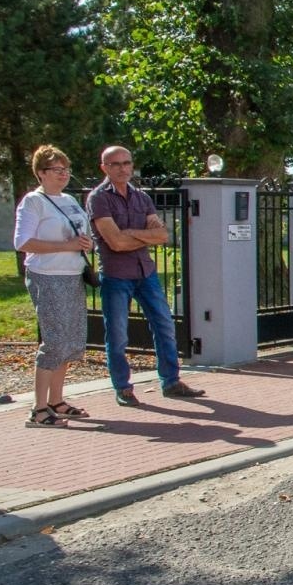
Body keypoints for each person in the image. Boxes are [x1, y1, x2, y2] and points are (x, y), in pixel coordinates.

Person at [87, 146, 207, 405]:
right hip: (116, 275)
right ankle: (123, 387)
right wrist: (141, 236)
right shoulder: (98, 198)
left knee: (165, 326)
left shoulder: (141, 197)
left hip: (146, 272)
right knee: (118, 334)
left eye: (126, 163)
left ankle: (171, 381)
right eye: (115, 164)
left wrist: (128, 233)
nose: (122, 168)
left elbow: (162, 236)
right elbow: (115, 243)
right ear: (104, 167)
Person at [12, 145, 96, 428]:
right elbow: (22, 242)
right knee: (54, 340)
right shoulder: (33, 202)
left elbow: (84, 234)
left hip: (72, 274)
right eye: (57, 170)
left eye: (66, 170)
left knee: (71, 340)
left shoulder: (70, 201)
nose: (63, 175)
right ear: (41, 173)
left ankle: (57, 401)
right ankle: (38, 409)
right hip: (46, 276)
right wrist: (66, 245)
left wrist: (86, 243)